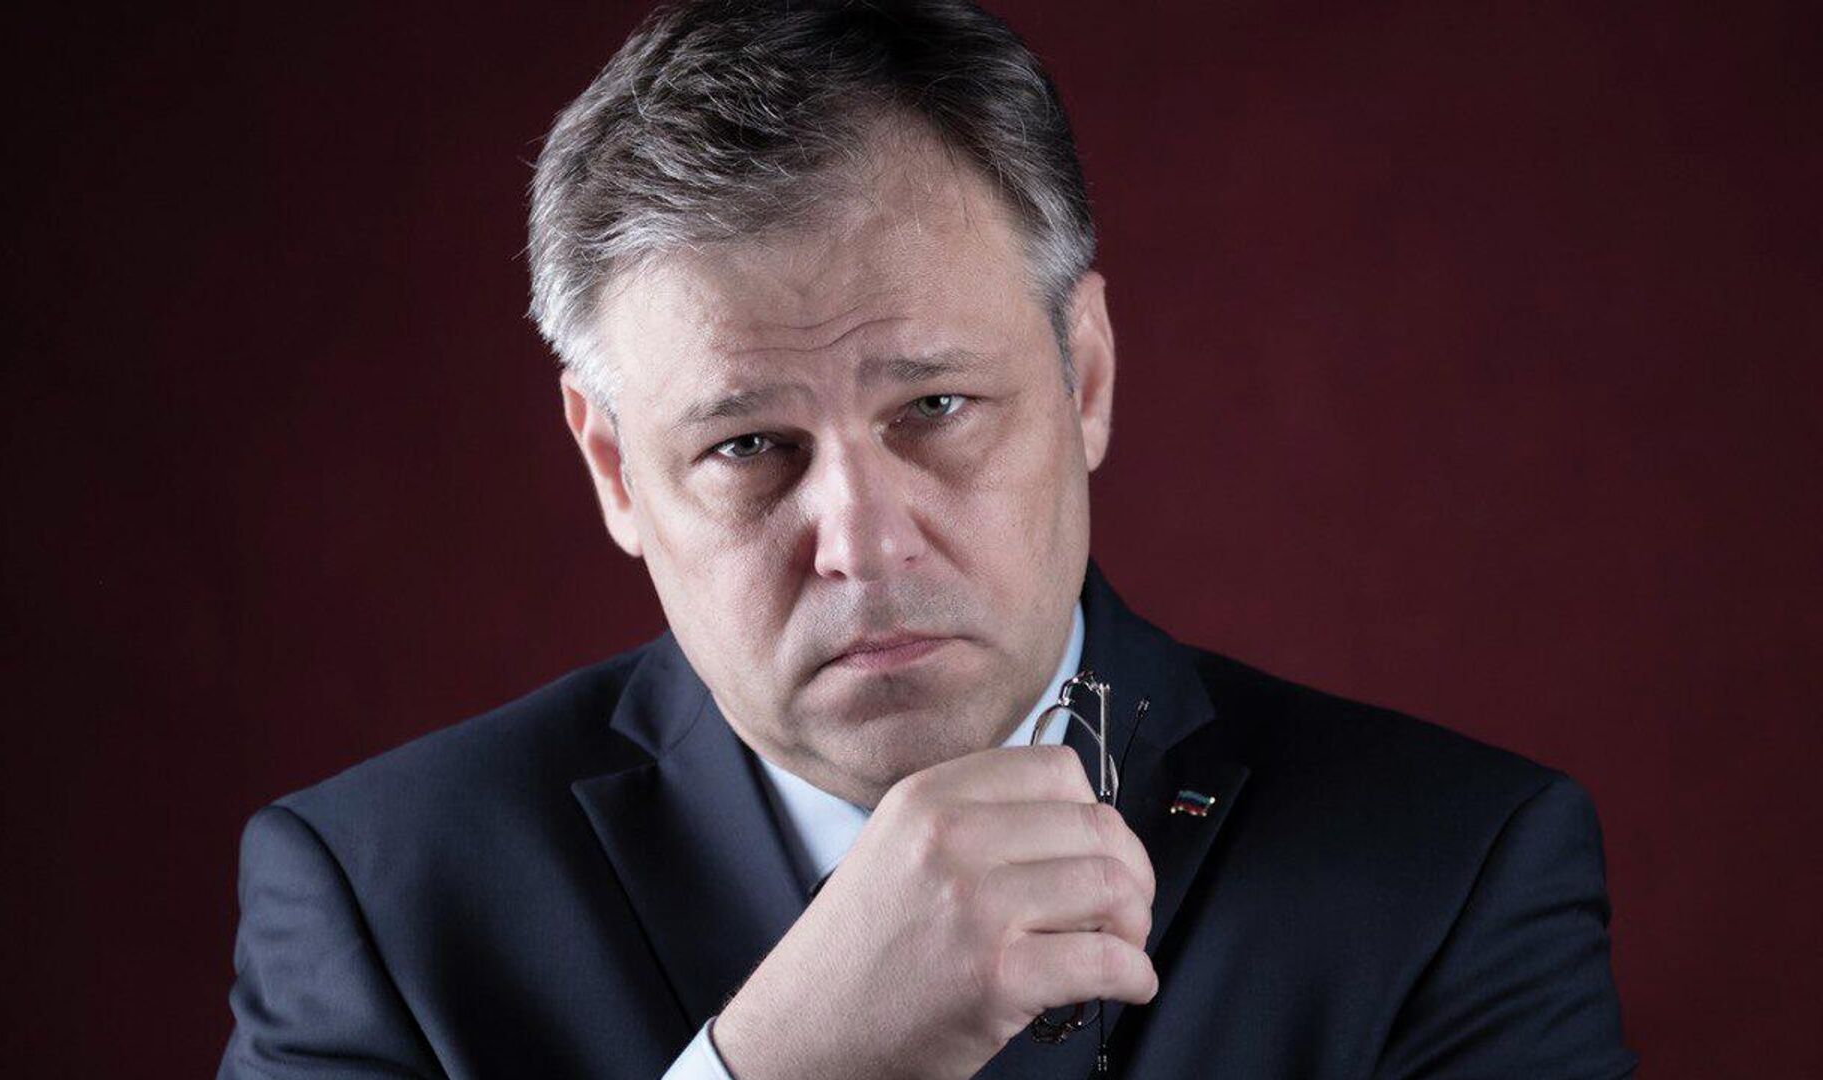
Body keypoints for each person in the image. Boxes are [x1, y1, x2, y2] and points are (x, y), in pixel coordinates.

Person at [218, 2, 1636, 1077]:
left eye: (936, 407)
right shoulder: (380, 901)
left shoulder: (1452, 874)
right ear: (615, 471)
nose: (863, 539)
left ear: (1085, 375)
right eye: (747, 446)